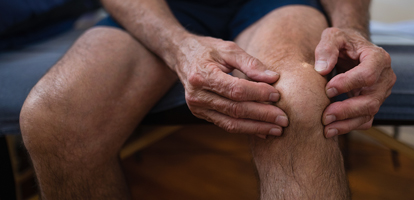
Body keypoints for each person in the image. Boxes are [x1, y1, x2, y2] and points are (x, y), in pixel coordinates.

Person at [19, 0, 396, 199]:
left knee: (295, 101)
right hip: (162, 7)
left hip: (278, 1)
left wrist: (351, 27)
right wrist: (178, 47)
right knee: (53, 118)